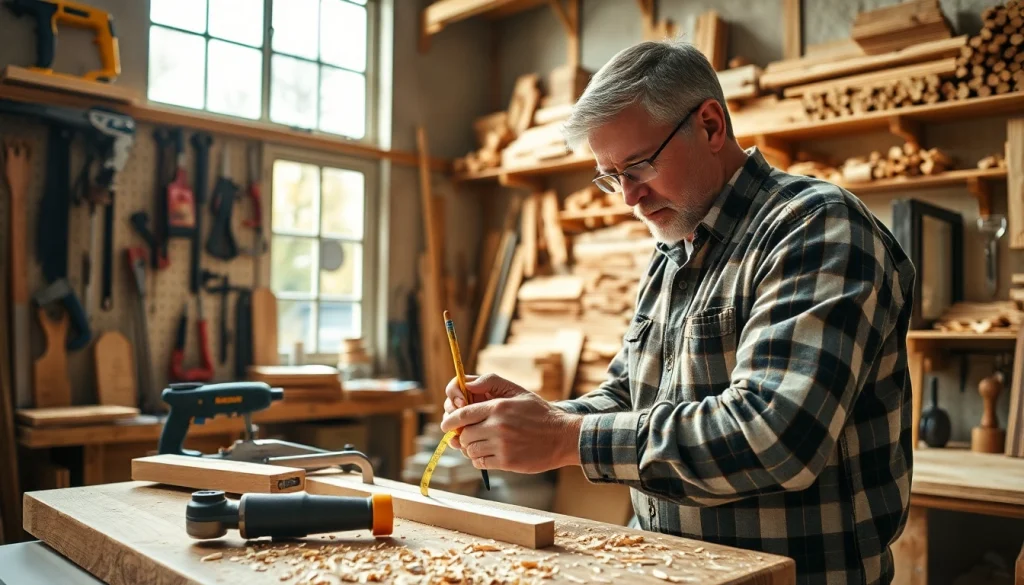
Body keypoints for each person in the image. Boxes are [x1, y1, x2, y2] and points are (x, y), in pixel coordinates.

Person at [440, 39, 916, 585]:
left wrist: (561, 438)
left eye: (638, 165)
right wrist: (539, 415)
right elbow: (626, 396)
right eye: (611, 176)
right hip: (676, 573)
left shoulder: (815, 227)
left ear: (711, 126)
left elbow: (776, 436)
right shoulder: (675, 251)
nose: (628, 197)